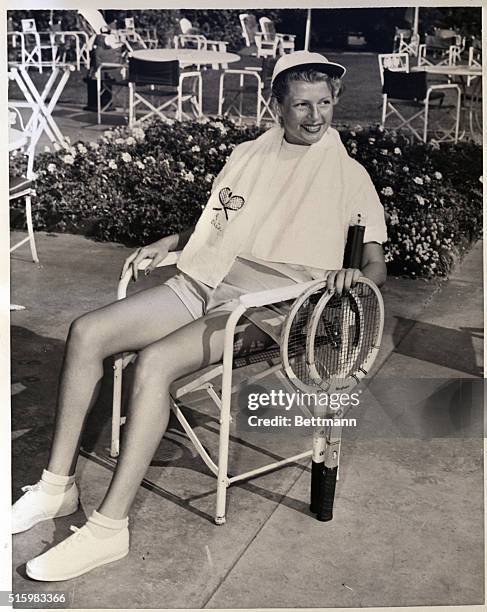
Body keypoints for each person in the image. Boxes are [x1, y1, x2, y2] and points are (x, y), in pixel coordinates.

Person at [12, 51, 387, 581]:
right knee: (87, 331)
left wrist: (359, 278)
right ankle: (56, 485)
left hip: (271, 304)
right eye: (301, 104)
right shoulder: (250, 155)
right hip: (210, 280)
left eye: (324, 103)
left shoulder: (350, 176)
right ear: (276, 106)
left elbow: (374, 263)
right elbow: (223, 228)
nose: (314, 116)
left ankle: (108, 528)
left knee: (156, 363)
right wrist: (176, 240)